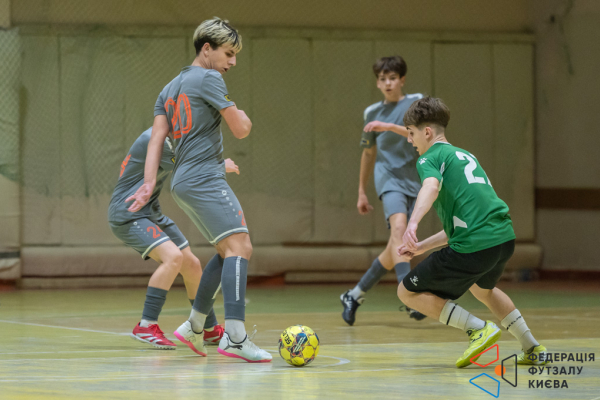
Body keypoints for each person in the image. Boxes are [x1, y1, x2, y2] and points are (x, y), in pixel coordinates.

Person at [126, 18, 271, 363]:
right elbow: (241, 130)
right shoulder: (209, 78)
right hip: (206, 178)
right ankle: (235, 338)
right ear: (207, 49)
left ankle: (194, 326)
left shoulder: (169, 88)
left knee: (225, 250)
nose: (233, 61)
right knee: (241, 247)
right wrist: (244, 115)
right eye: (228, 53)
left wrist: (149, 183)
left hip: (182, 181)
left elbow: (157, 139)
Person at [397, 96, 547, 368]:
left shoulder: (429, 158)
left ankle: (477, 329)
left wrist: (413, 223)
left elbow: (430, 187)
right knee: (483, 290)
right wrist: (421, 246)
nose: (409, 140)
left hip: (475, 245)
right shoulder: (464, 155)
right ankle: (532, 347)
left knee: (406, 292)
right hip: (502, 238)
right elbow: (467, 221)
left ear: (427, 132)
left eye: (411, 133)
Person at [109, 128, 239, 349]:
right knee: (173, 257)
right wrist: (219, 165)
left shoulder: (174, 137)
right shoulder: (155, 139)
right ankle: (146, 325)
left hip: (150, 212)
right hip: (129, 212)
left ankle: (208, 328)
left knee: (192, 265)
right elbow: (187, 169)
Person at [341, 56, 426, 325]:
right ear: (377, 83)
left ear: (402, 80)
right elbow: (368, 153)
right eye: (382, 79)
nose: (387, 83)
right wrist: (361, 191)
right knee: (399, 230)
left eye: (392, 78)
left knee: (396, 248)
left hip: (415, 179)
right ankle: (409, 295)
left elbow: (421, 135)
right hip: (388, 178)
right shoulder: (372, 113)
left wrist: (388, 126)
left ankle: (354, 295)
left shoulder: (416, 103)